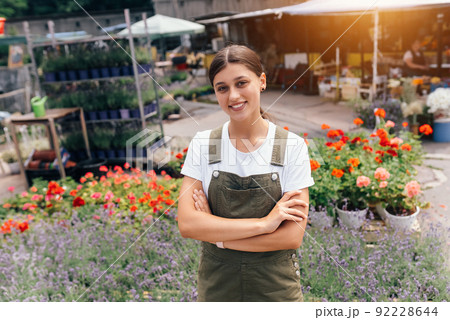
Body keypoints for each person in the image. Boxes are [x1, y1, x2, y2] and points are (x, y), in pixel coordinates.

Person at [177, 45, 314, 302]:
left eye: (241, 83)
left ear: (261, 81)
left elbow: (292, 236)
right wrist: (265, 225)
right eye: (222, 88)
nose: (233, 96)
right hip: (217, 288)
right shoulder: (204, 144)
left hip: (276, 291)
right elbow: (187, 224)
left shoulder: (291, 146)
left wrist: (219, 239)